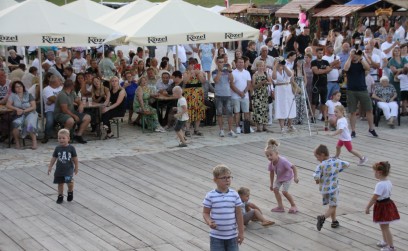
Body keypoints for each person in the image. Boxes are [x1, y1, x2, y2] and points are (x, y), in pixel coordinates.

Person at [202, 164, 244, 251]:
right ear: (215, 180)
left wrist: (241, 232)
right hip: (216, 236)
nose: (227, 180)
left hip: (232, 236)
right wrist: (209, 222)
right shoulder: (210, 195)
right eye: (224, 178)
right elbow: (205, 213)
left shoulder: (234, 194)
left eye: (229, 177)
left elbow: (239, 214)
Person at [313, 144, 350, 231]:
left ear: (322, 155)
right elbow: (347, 164)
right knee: (333, 205)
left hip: (324, 190)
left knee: (332, 205)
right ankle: (323, 217)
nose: (317, 159)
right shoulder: (336, 162)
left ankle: (334, 221)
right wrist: (337, 170)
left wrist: (317, 180)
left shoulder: (320, 166)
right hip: (334, 189)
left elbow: (316, 176)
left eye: (317, 157)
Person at [365, 161, 400, 251]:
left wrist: (368, 207)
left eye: (374, 172)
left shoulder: (380, 185)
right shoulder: (388, 182)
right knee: (383, 226)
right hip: (387, 204)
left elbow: (374, 198)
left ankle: (391, 247)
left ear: (379, 172)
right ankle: (385, 241)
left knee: (385, 227)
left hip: (382, 206)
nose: (374, 174)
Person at [344, 49, 378, 138]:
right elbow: (345, 68)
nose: (355, 55)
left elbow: (368, 68)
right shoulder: (349, 63)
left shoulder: (361, 63)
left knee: (369, 110)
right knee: (352, 111)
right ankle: (353, 131)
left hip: (362, 89)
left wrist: (361, 57)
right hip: (351, 90)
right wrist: (350, 56)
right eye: (353, 54)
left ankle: (371, 129)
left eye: (356, 54)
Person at [266, 139, 299, 213]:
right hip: (280, 177)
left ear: (277, 153)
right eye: (267, 155)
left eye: (271, 155)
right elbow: (271, 173)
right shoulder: (271, 163)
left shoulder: (283, 161)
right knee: (275, 189)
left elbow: (293, 167)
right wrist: (271, 184)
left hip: (287, 177)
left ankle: (293, 205)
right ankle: (280, 206)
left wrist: (295, 177)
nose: (269, 157)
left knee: (284, 192)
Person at [54, 79, 91, 144]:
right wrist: (74, 116)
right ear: (71, 86)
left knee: (87, 117)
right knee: (70, 120)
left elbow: (77, 100)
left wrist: (81, 104)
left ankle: (78, 135)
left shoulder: (72, 93)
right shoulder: (62, 95)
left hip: (71, 111)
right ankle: (64, 137)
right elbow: (64, 110)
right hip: (61, 114)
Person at [47, 129, 79, 204]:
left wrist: (76, 167)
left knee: (69, 183)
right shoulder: (57, 148)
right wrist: (50, 166)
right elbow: (54, 158)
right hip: (59, 170)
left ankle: (70, 192)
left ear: (68, 138)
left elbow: (75, 158)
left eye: (63, 138)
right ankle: (60, 196)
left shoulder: (71, 148)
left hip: (68, 170)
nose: (61, 140)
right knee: (60, 184)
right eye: (59, 138)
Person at [6, 81, 38, 149]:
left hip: (30, 113)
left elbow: (33, 107)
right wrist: (16, 109)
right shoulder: (13, 95)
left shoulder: (29, 94)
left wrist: (23, 111)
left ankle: (34, 142)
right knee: (15, 124)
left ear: (23, 87)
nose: (19, 88)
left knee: (30, 124)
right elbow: (8, 105)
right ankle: (17, 142)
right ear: (14, 89)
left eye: (20, 86)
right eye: (17, 87)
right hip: (18, 114)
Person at [212, 55, 236, 137]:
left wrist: (230, 71)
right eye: (220, 62)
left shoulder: (227, 71)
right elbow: (216, 80)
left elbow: (232, 80)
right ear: (217, 63)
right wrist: (220, 70)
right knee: (219, 113)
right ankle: (221, 130)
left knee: (230, 113)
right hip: (219, 95)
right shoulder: (214, 72)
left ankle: (230, 130)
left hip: (228, 94)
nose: (222, 63)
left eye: (223, 62)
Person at [272, 57, 296, 133]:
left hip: (288, 88)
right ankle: (282, 127)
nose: (279, 63)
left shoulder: (286, 68)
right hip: (279, 89)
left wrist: (284, 65)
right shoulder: (274, 70)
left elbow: (290, 75)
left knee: (290, 105)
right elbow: (274, 77)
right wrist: (275, 66)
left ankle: (290, 125)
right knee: (280, 107)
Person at [182, 59, 206, 136]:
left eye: (194, 64)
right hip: (189, 94)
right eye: (191, 64)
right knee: (188, 111)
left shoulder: (200, 72)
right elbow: (185, 81)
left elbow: (203, 81)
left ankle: (196, 129)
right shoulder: (185, 73)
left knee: (198, 111)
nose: (192, 66)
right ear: (188, 65)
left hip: (198, 94)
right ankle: (187, 130)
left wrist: (198, 74)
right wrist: (190, 73)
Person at [311, 47, 332, 122]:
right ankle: (312, 116)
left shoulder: (326, 62)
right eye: (319, 53)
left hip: (324, 84)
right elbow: (316, 72)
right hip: (316, 84)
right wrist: (325, 70)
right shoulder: (313, 62)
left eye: (322, 53)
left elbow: (329, 70)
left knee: (324, 101)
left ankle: (324, 116)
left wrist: (321, 70)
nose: (321, 54)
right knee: (314, 101)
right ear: (316, 53)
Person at [252, 60, 272, 132]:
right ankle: (258, 126)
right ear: (257, 67)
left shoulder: (266, 74)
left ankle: (264, 126)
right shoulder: (255, 75)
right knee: (258, 110)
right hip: (258, 94)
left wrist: (267, 83)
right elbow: (253, 86)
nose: (261, 67)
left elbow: (270, 82)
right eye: (259, 66)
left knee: (265, 109)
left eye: (262, 66)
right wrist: (261, 83)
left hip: (264, 94)